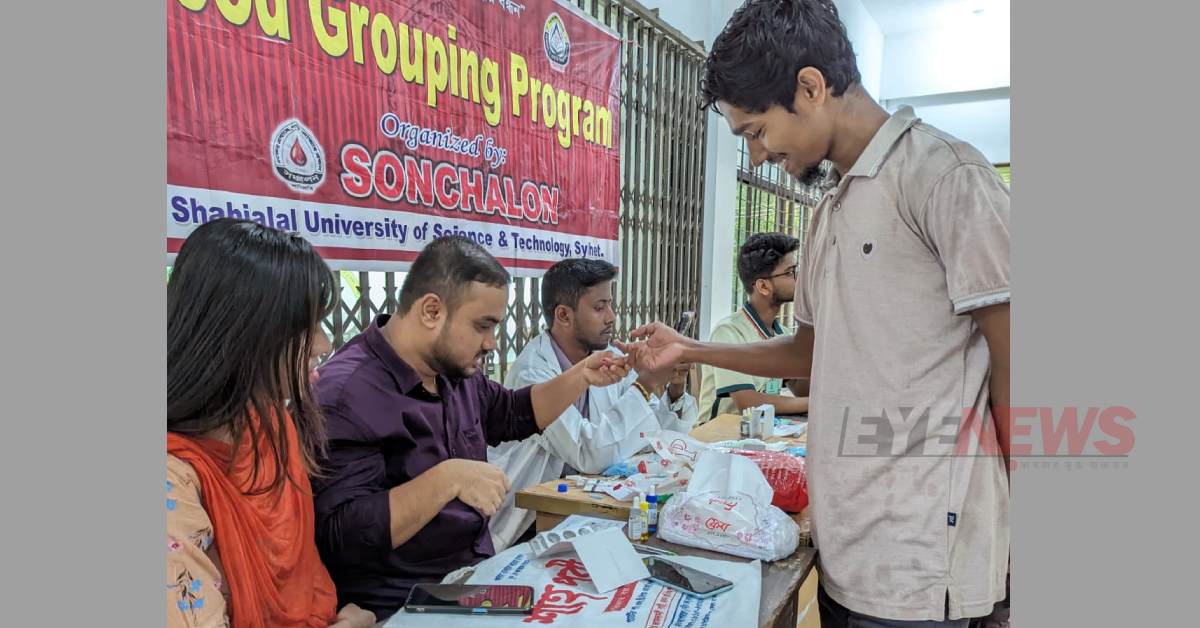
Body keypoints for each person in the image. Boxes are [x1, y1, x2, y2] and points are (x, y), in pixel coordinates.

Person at [621, 0, 1011, 625]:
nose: (753, 156)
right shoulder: (829, 211)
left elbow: (1017, 357)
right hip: (845, 548)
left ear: (810, 87)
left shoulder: (943, 178)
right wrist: (691, 350)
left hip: (921, 563)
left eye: (754, 132)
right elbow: (809, 351)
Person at [311, 236, 631, 621]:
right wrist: (446, 480)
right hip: (406, 604)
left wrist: (581, 376)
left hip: (474, 580)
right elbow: (340, 537)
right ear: (431, 311)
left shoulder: (453, 373)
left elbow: (514, 412)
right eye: (483, 326)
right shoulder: (347, 393)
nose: (492, 343)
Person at [166, 218, 376, 628]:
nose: (323, 345)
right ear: (246, 335)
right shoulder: (172, 482)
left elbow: (305, 579)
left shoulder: (273, 427)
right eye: (306, 328)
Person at [487, 258, 698, 551]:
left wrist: (672, 386)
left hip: (589, 506)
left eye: (610, 305)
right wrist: (646, 384)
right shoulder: (533, 373)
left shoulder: (607, 356)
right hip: (530, 521)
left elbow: (653, 435)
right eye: (600, 308)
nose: (611, 317)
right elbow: (587, 454)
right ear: (563, 315)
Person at [697, 232, 810, 422]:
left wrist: (810, 333)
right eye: (790, 273)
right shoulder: (729, 332)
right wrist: (813, 403)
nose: (798, 280)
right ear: (763, 286)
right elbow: (748, 402)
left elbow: (802, 390)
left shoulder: (781, 333)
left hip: (756, 439)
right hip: (718, 441)